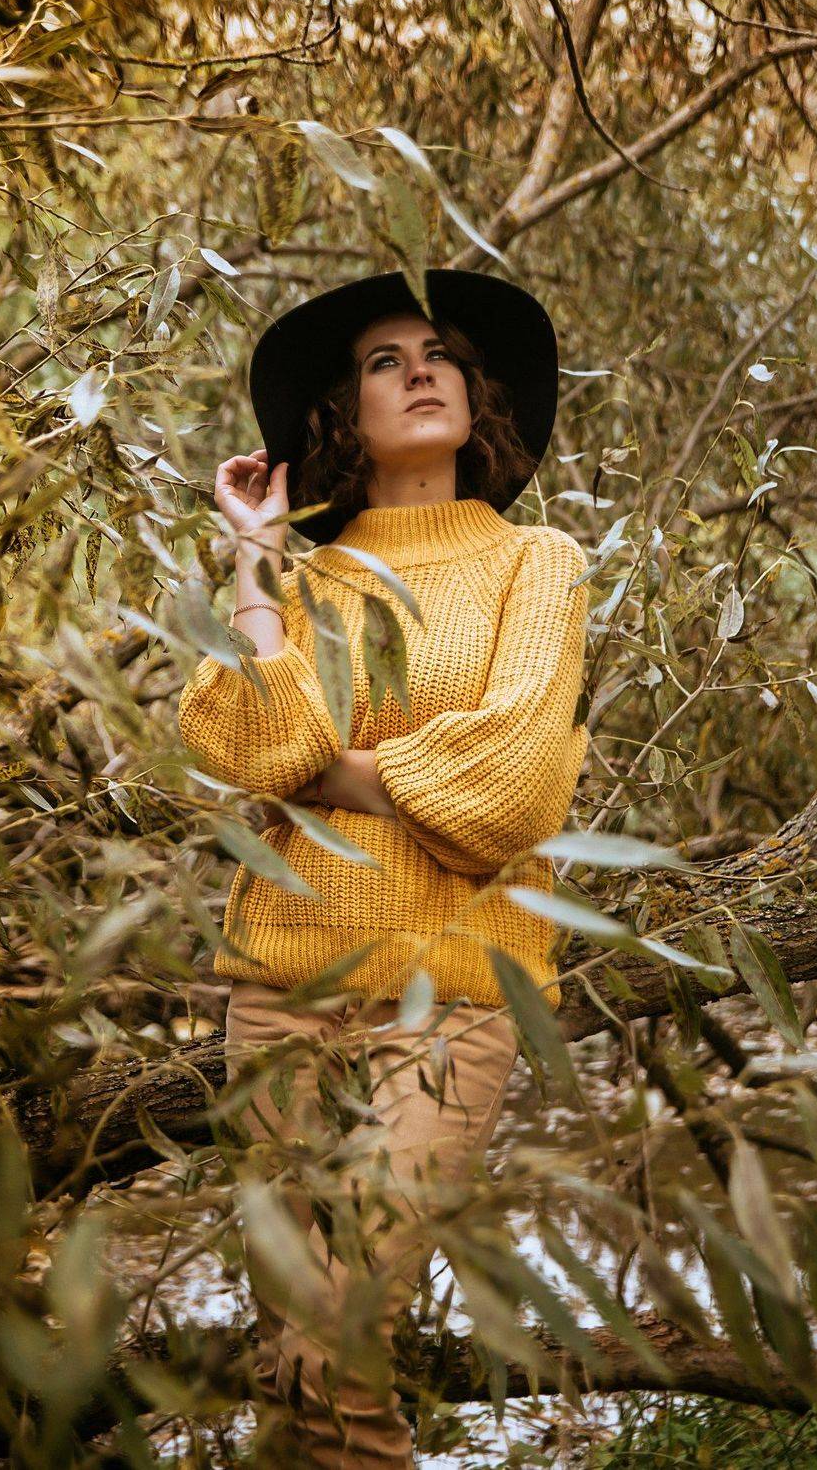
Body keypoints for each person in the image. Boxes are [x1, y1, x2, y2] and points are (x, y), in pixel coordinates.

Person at [177, 269, 592, 1467]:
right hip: (279, 993)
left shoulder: (537, 563)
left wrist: (333, 773)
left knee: (338, 1345)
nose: (419, 370)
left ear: (477, 393)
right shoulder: (303, 584)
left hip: (451, 1000)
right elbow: (251, 749)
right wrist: (255, 559)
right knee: (289, 1369)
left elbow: (514, 786)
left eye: (440, 352)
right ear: (342, 414)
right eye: (384, 360)